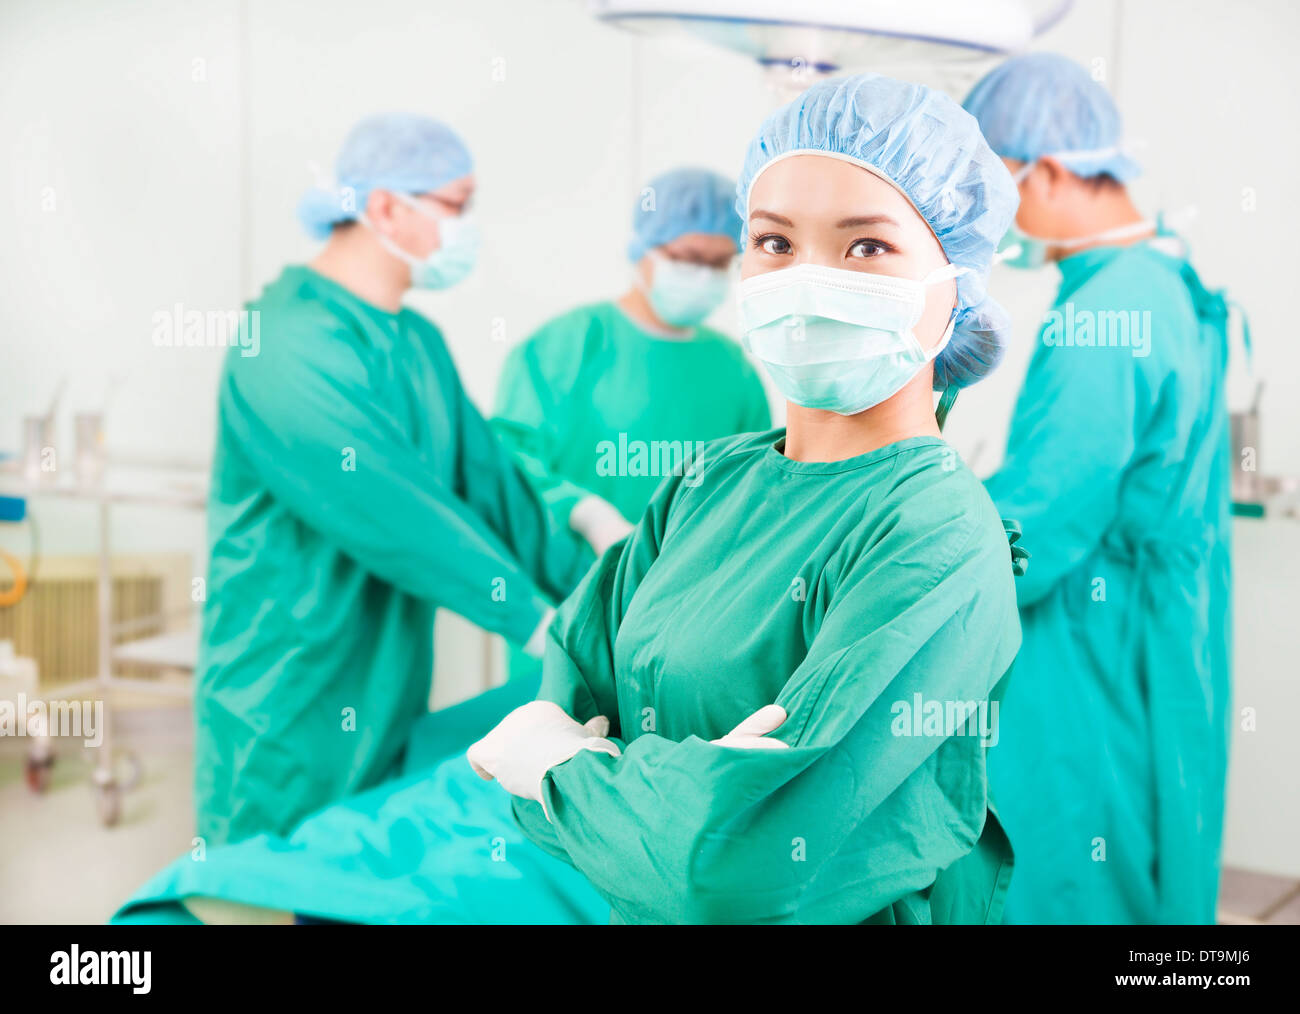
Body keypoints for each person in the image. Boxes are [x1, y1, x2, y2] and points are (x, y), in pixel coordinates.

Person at [467, 74, 1024, 925]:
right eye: (774, 241)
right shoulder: (708, 483)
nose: (807, 279)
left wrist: (568, 772)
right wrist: (663, 797)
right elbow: (563, 700)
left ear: (959, 282)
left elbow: (734, 867)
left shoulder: (933, 529)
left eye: (865, 247)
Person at [195, 114, 591, 847]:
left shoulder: (418, 343)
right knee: (262, 881)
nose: (467, 228)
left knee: (354, 863)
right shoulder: (280, 342)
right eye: (456, 205)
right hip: (284, 689)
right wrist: (534, 623)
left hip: (384, 681)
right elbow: (394, 509)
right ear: (384, 207)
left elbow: (492, 487)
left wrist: (597, 590)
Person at [963, 52, 1234, 924]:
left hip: (1092, 642)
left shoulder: (1106, 311)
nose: (986, 222)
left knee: (1081, 867)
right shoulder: (1161, 278)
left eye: (989, 191)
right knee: (1148, 853)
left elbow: (1043, 519)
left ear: (1044, 172)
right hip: (1156, 630)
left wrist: (923, 533)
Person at [491, 168, 770, 680]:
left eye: (719, 263)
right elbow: (504, 463)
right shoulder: (567, 345)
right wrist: (585, 513)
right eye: (688, 258)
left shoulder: (733, 369)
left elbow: (757, 490)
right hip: (569, 604)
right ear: (644, 248)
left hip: (689, 622)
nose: (704, 276)